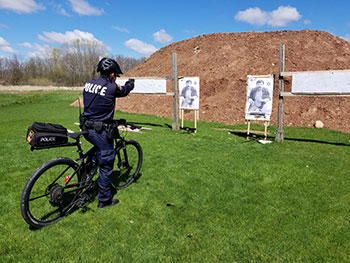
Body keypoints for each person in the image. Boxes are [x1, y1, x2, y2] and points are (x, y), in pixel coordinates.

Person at [81, 57, 134, 208]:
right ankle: (104, 200)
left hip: (86, 127)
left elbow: (102, 96)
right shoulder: (111, 87)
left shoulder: (89, 83)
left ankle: (87, 170)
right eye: (115, 75)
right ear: (111, 74)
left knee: (97, 149)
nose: (115, 77)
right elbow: (122, 91)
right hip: (100, 130)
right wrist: (130, 85)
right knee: (106, 163)